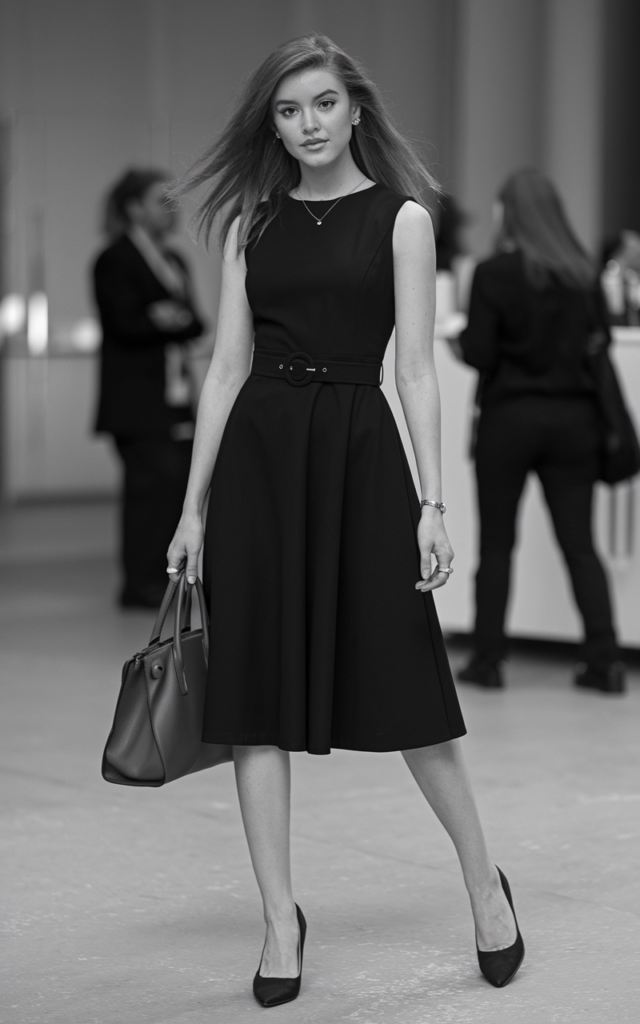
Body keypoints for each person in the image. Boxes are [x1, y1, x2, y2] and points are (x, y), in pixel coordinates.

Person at [167, 34, 525, 1006]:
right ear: (271, 123)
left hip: (362, 457)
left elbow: (413, 368)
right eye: (288, 111)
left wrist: (432, 504)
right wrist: (192, 507)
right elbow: (228, 366)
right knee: (253, 703)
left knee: (410, 688)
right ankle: (279, 915)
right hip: (259, 462)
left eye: (322, 104)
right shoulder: (253, 221)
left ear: (355, 109)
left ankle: (481, 883)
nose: (307, 124)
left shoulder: (402, 221)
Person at [452, 168, 624, 694]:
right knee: (580, 544)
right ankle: (603, 662)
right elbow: (602, 347)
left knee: (498, 544)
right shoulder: (584, 275)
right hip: (575, 423)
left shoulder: (492, 273)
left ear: (511, 212)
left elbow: (480, 352)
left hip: (510, 420)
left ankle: (487, 660)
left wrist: (459, 343)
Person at [93, 169, 205, 608]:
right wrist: (161, 318)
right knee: (147, 491)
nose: (170, 209)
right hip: (135, 403)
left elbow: (194, 321)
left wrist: (165, 317)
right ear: (133, 208)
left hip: (174, 396)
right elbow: (124, 324)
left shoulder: (174, 261)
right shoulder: (113, 260)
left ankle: (167, 579)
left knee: (175, 487)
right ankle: (139, 585)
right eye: (160, 200)